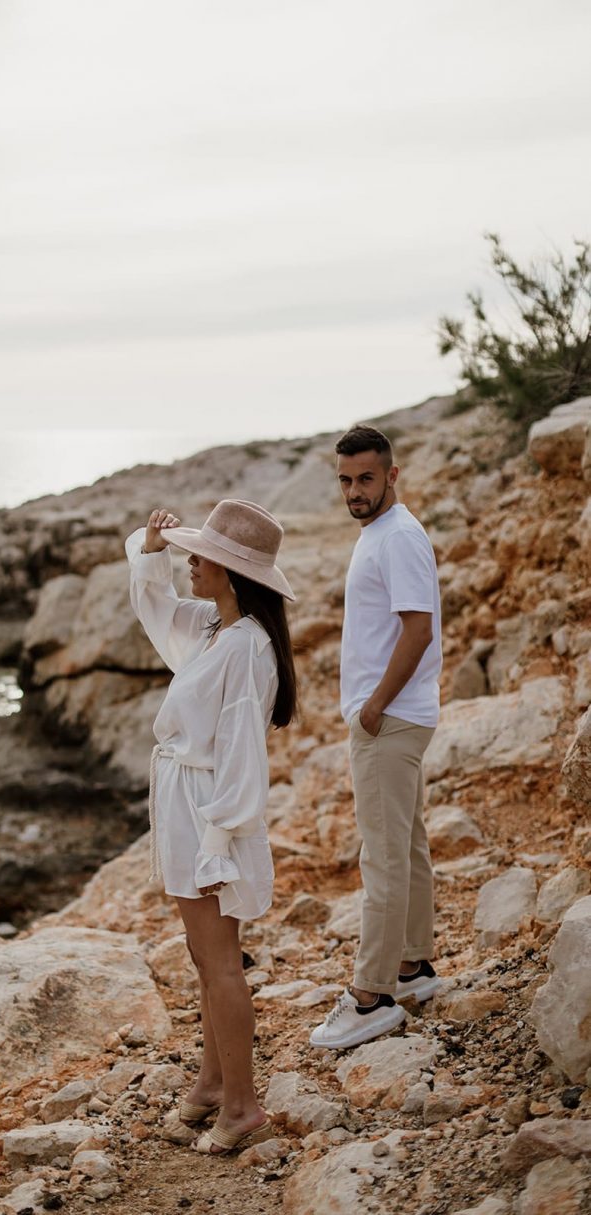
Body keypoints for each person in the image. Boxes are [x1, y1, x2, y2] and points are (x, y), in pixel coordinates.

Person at [126, 499, 297, 1154]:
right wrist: (153, 546)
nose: (190, 563)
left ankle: (243, 1104)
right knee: (203, 956)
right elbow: (155, 608)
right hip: (182, 803)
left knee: (221, 961)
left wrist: (223, 839)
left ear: (228, 571)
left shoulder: (249, 649)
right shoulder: (209, 628)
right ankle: (211, 1082)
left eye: (200, 557)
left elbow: (243, 757)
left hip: (208, 814)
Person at [310, 425, 443, 1051]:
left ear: (392, 475)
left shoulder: (398, 538)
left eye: (366, 478)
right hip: (397, 716)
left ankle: (371, 997)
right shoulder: (382, 534)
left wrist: (374, 707)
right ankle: (413, 967)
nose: (354, 491)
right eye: (345, 479)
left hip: (389, 720)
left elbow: (417, 630)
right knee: (406, 845)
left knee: (383, 856)